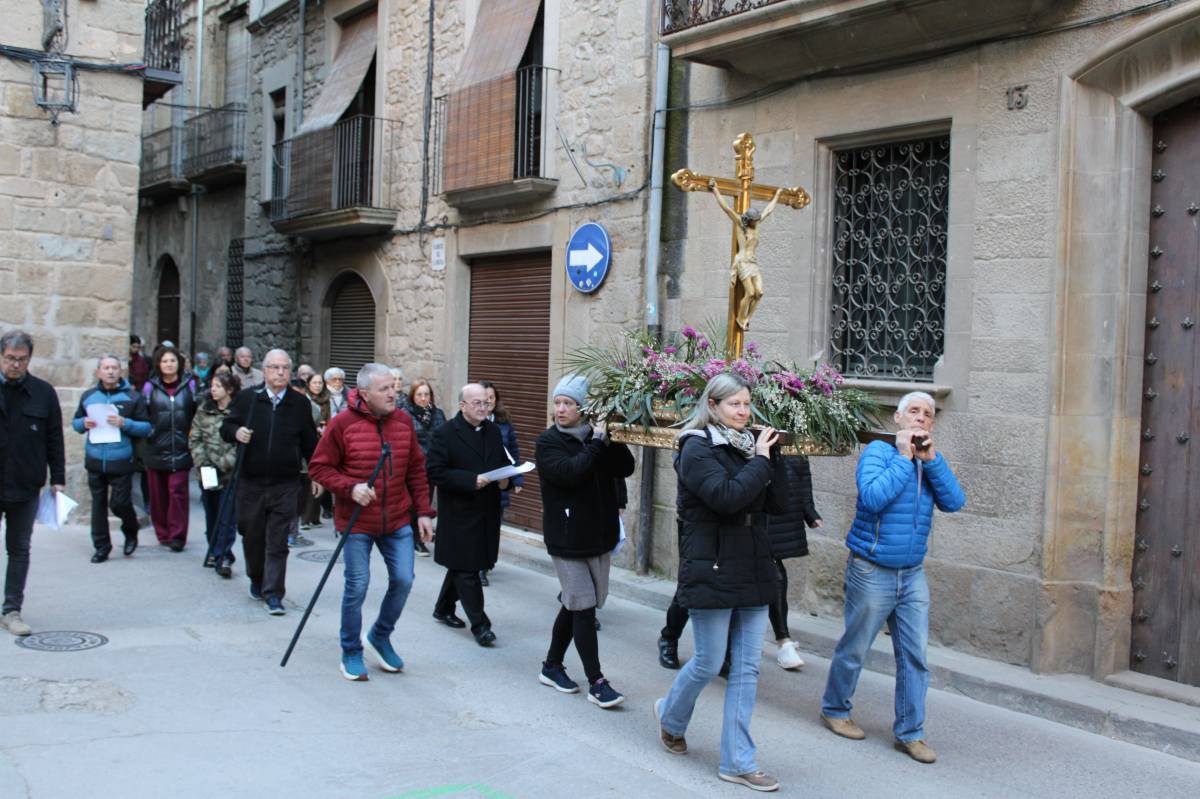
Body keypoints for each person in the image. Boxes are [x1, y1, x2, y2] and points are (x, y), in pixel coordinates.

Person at [654, 373, 785, 793]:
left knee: (747, 668)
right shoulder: (696, 447)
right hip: (712, 563)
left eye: (747, 404)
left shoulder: (753, 447)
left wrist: (774, 459)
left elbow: (779, 504)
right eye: (735, 405)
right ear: (713, 406)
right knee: (709, 662)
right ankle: (671, 715)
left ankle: (738, 762)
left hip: (753, 562)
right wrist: (761, 463)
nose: (744, 412)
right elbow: (726, 497)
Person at [820, 391, 965, 765]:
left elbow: (955, 501)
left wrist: (930, 461)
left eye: (928, 414)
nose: (920, 418)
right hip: (872, 570)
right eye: (913, 411)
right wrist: (904, 457)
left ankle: (910, 733)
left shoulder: (930, 460)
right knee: (856, 647)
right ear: (898, 418)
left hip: (912, 574)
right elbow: (872, 498)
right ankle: (835, 709)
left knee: (915, 657)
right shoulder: (879, 453)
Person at [309, 363, 436, 681]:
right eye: (385, 389)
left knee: (404, 580)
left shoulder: (403, 422)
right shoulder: (341, 424)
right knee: (357, 586)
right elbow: (319, 468)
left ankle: (379, 635)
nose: (393, 393)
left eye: (394, 387)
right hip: (356, 522)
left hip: (396, 518)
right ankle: (351, 650)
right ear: (365, 394)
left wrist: (423, 511)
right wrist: (350, 488)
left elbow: (416, 470)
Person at [657, 453, 822, 672]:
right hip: (716, 522)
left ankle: (744, 650)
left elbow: (796, 468)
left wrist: (808, 509)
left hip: (758, 521)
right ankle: (670, 636)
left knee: (758, 581)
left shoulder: (769, 436)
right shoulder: (703, 443)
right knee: (696, 584)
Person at [535, 374, 635, 709]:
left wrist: (613, 437)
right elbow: (570, 472)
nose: (560, 409)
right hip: (566, 538)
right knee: (584, 607)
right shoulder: (548, 442)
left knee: (574, 602)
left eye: (568, 403)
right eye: (558, 402)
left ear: (583, 409)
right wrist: (596, 443)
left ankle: (551, 666)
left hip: (599, 535)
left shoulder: (596, 439)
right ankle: (597, 682)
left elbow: (626, 467)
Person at [221, 349, 319, 615]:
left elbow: (311, 443)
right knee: (252, 536)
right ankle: (256, 577)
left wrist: (317, 474)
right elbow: (226, 427)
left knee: (277, 541)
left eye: (285, 368)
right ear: (264, 371)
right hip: (250, 482)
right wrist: (236, 431)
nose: (279, 372)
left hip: (285, 483)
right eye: (274, 367)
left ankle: (274, 593)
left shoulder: (299, 405)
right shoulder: (247, 399)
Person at [426, 383, 510, 646]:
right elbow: (435, 472)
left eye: (487, 402)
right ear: (463, 406)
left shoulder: (494, 431)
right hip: (460, 512)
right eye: (478, 403)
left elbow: (501, 462)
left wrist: (510, 477)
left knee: (464, 565)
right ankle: (480, 626)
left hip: (487, 510)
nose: (484, 407)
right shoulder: (445, 433)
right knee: (468, 570)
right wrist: (469, 480)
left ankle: (443, 608)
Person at [0, 331, 65, 637]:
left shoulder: (43, 393)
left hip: (25, 485)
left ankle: (12, 610)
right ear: (1, 356)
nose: (15, 365)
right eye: (10, 359)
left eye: (21, 359)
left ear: (29, 358)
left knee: (20, 549)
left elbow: (55, 438)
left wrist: (59, 478)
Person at [71, 354, 151, 562]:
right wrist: (83, 424)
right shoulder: (89, 396)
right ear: (99, 372)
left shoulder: (133, 397)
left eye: (114, 367)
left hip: (121, 460)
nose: (110, 371)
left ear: (120, 371)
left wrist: (126, 423)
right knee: (98, 505)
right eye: (106, 368)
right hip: (95, 458)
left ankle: (130, 529)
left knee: (119, 503)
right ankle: (101, 547)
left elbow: (146, 428)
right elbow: (76, 422)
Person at [765, 456, 822, 670]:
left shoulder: (794, 430)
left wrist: (809, 509)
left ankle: (784, 642)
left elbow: (802, 470)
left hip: (780, 512)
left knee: (775, 573)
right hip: (751, 508)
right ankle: (671, 635)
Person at [141, 345, 198, 551]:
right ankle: (162, 532)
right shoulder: (150, 387)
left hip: (181, 447)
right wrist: (150, 434)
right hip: (156, 447)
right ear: (159, 364)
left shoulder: (189, 385)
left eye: (172, 361)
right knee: (158, 496)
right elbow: (143, 414)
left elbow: (196, 413)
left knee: (178, 493)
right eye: (165, 361)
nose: (169, 364)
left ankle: (177, 535)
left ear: (178, 363)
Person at [188, 370, 241, 576]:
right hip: (208, 471)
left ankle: (224, 556)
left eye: (218, 386)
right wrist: (203, 462)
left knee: (227, 515)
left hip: (230, 472)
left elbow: (241, 442)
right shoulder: (204, 410)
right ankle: (214, 547)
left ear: (229, 390)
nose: (213, 389)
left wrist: (226, 463)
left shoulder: (238, 412)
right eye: (212, 386)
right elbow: (195, 438)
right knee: (211, 513)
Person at [479, 380, 523, 586]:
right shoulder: (472, 422)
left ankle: (486, 563)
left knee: (493, 527)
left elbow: (514, 451)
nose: (487, 403)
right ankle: (478, 565)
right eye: (484, 399)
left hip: (499, 484)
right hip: (478, 484)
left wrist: (517, 478)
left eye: (491, 399)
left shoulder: (504, 423)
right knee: (478, 526)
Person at [406, 378, 444, 557]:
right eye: (419, 394)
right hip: (412, 466)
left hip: (432, 466)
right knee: (411, 504)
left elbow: (444, 438)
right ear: (413, 396)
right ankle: (413, 538)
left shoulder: (438, 414)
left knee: (424, 503)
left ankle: (419, 536)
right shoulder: (405, 414)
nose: (423, 398)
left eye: (426, 394)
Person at [300, 372, 331, 530]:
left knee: (320, 476)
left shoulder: (327, 400)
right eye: (315, 382)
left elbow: (330, 419)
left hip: (324, 441)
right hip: (309, 441)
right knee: (308, 478)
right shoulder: (304, 400)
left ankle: (314, 517)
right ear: (309, 384)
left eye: (320, 383)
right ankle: (305, 517)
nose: (318, 385)